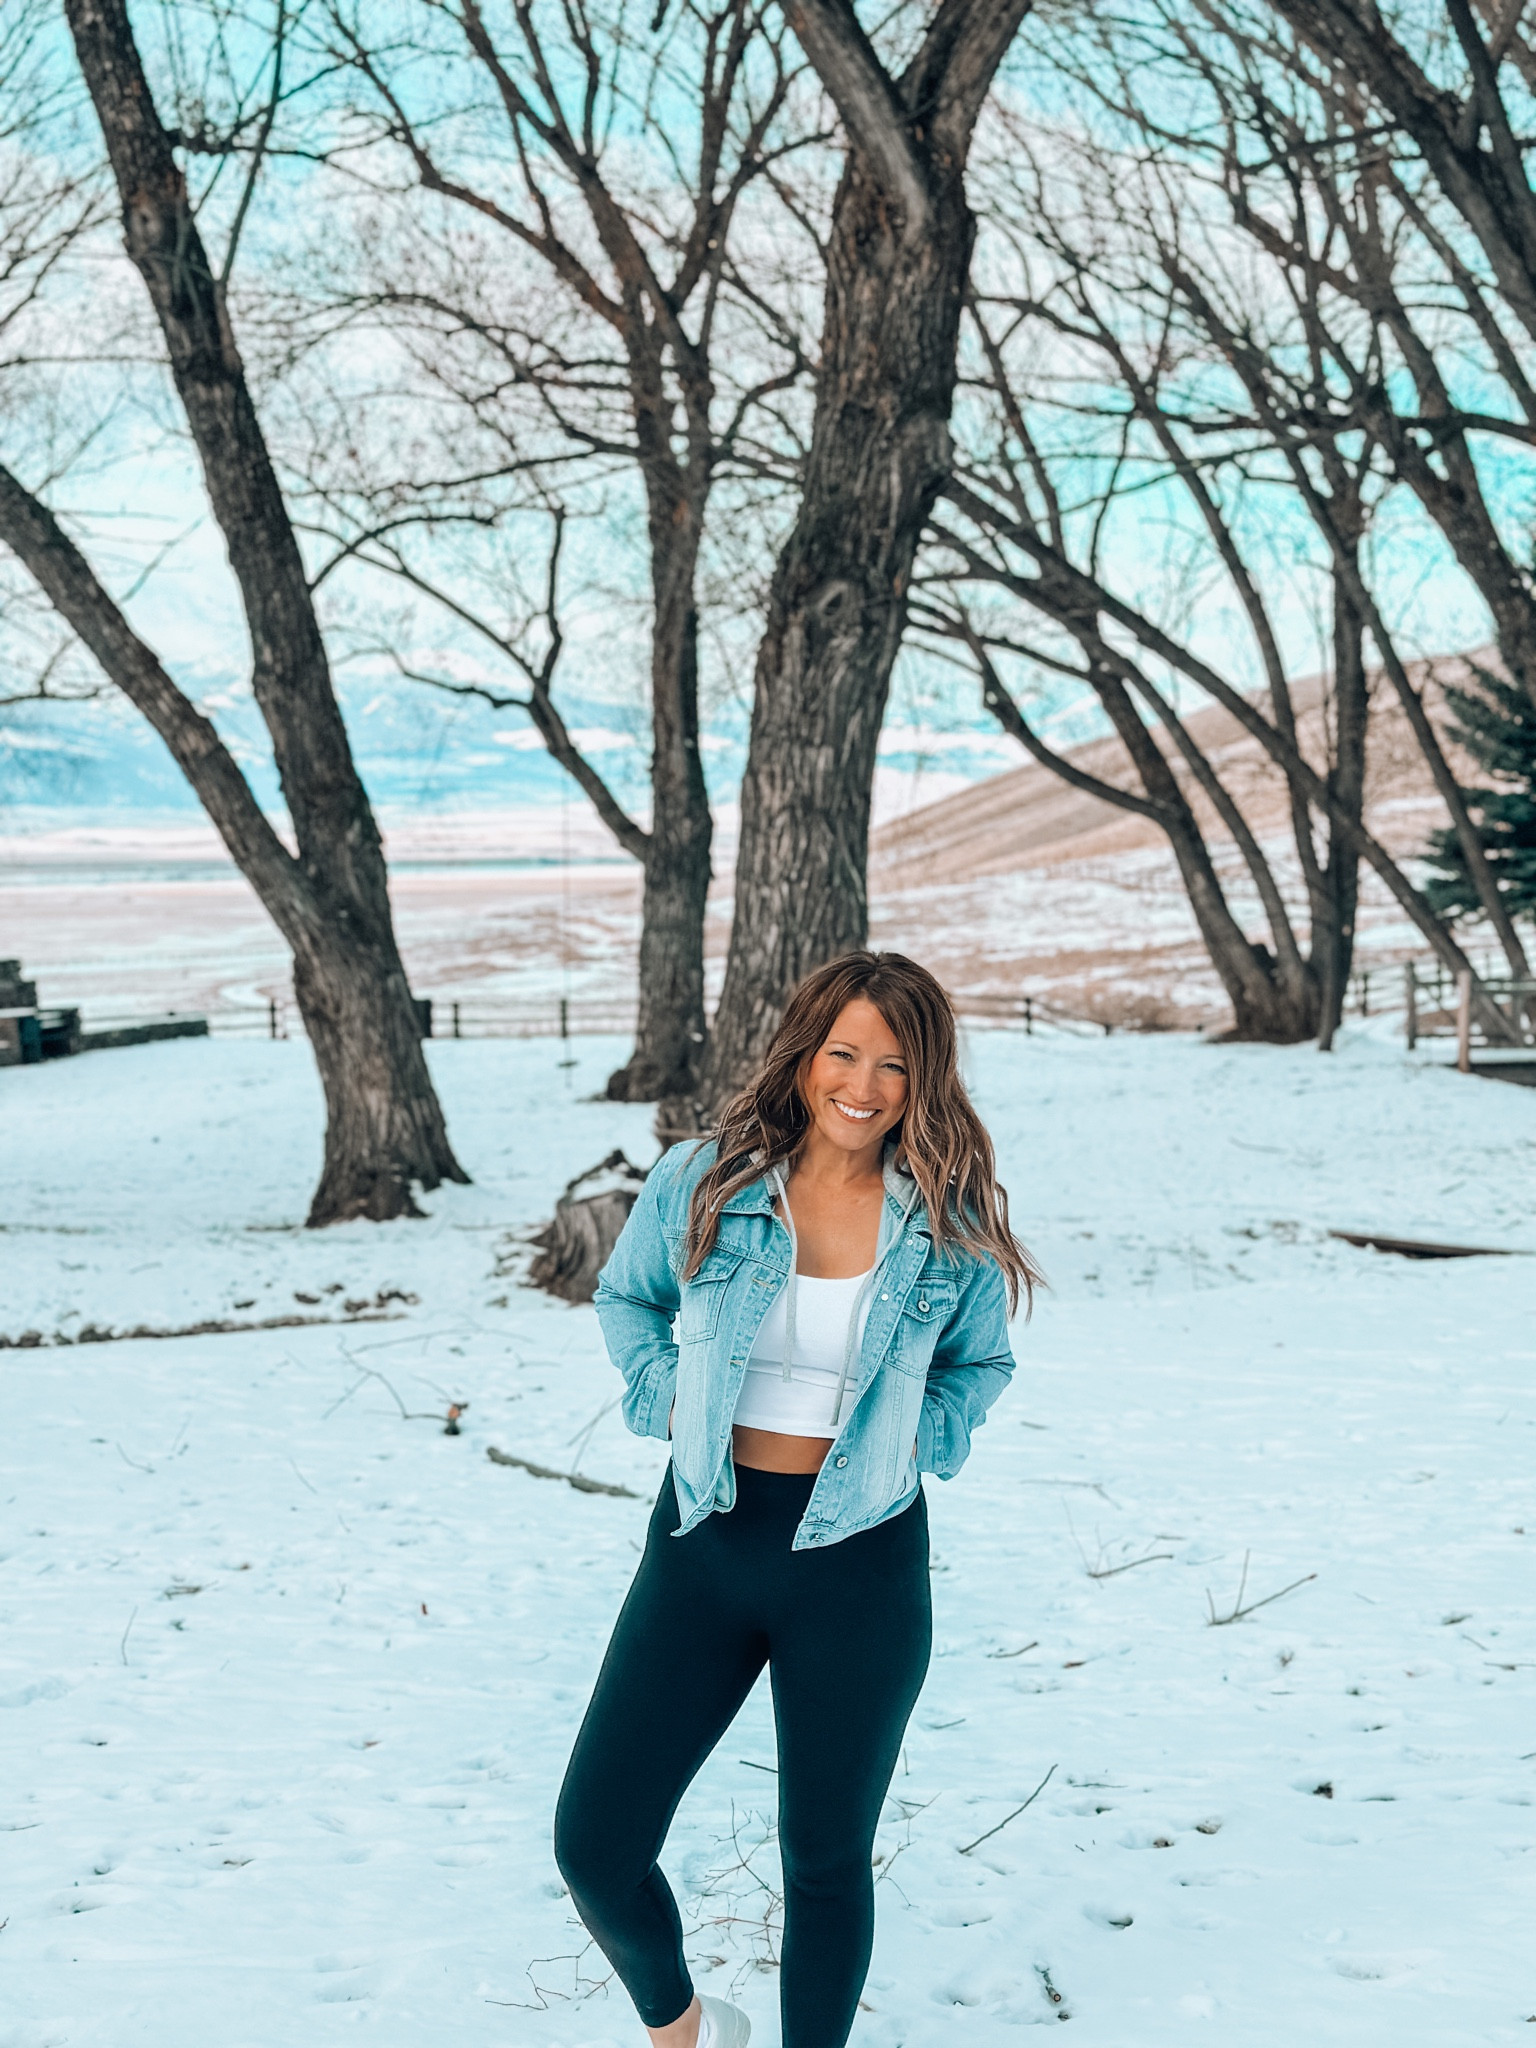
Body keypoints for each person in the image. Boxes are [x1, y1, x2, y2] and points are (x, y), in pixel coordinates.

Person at [554, 951, 1040, 2048]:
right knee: (596, 1842)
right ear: (807, 1052)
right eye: (844, 1052)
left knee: (822, 1861)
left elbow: (981, 1364)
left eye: (895, 1064)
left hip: (859, 1562)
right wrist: (661, 1396)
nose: (863, 1085)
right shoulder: (706, 1179)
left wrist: (919, 1436)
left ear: (926, 1080)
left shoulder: (946, 1220)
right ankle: (681, 2030)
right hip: (704, 1547)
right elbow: (627, 1296)